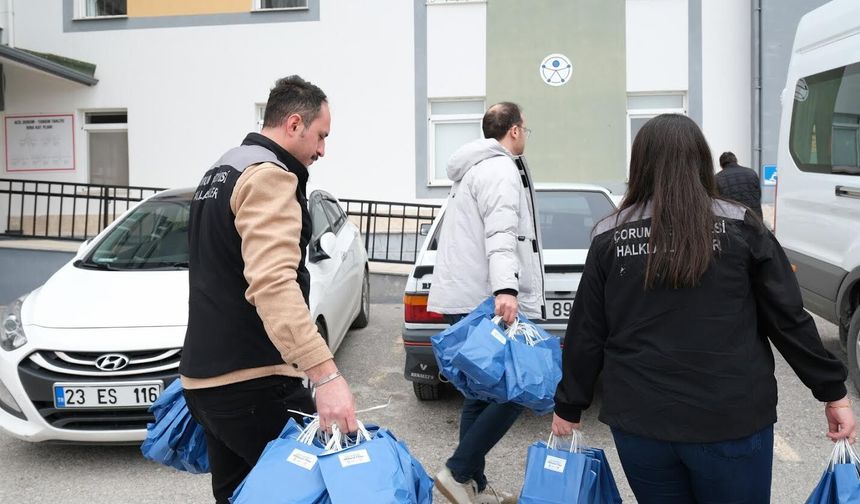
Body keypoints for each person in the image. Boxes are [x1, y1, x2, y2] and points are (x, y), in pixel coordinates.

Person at [551, 114, 855, 503]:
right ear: (701, 160)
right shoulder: (742, 225)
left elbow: (586, 330)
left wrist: (569, 405)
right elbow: (788, 318)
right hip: (730, 416)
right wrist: (833, 393)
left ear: (639, 163)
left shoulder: (609, 234)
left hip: (642, 421)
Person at [179, 75, 357, 503]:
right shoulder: (269, 177)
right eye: (320, 136)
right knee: (317, 488)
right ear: (294, 124)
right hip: (253, 382)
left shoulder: (222, 170)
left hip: (206, 383)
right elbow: (274, 283)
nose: (321, 151)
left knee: (241, 494)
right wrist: (326, 375)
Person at [428, 102, 545, 504]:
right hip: (485, 300)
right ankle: (458, 471)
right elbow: (501, 234)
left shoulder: (474, 170)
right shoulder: (499, 170)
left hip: (468, 296)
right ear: (514, 131)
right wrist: (506, 290)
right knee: (517, 390)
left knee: (481, 395)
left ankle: (470, 485)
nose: (526, 135)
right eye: (526, 128)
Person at [715, 151, 763, 218]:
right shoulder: (751, 173)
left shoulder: (717, 178)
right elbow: (758, 195)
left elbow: (718, 204)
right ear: (736, 161)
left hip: (734, 221)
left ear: (721, 165)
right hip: (755, 217)